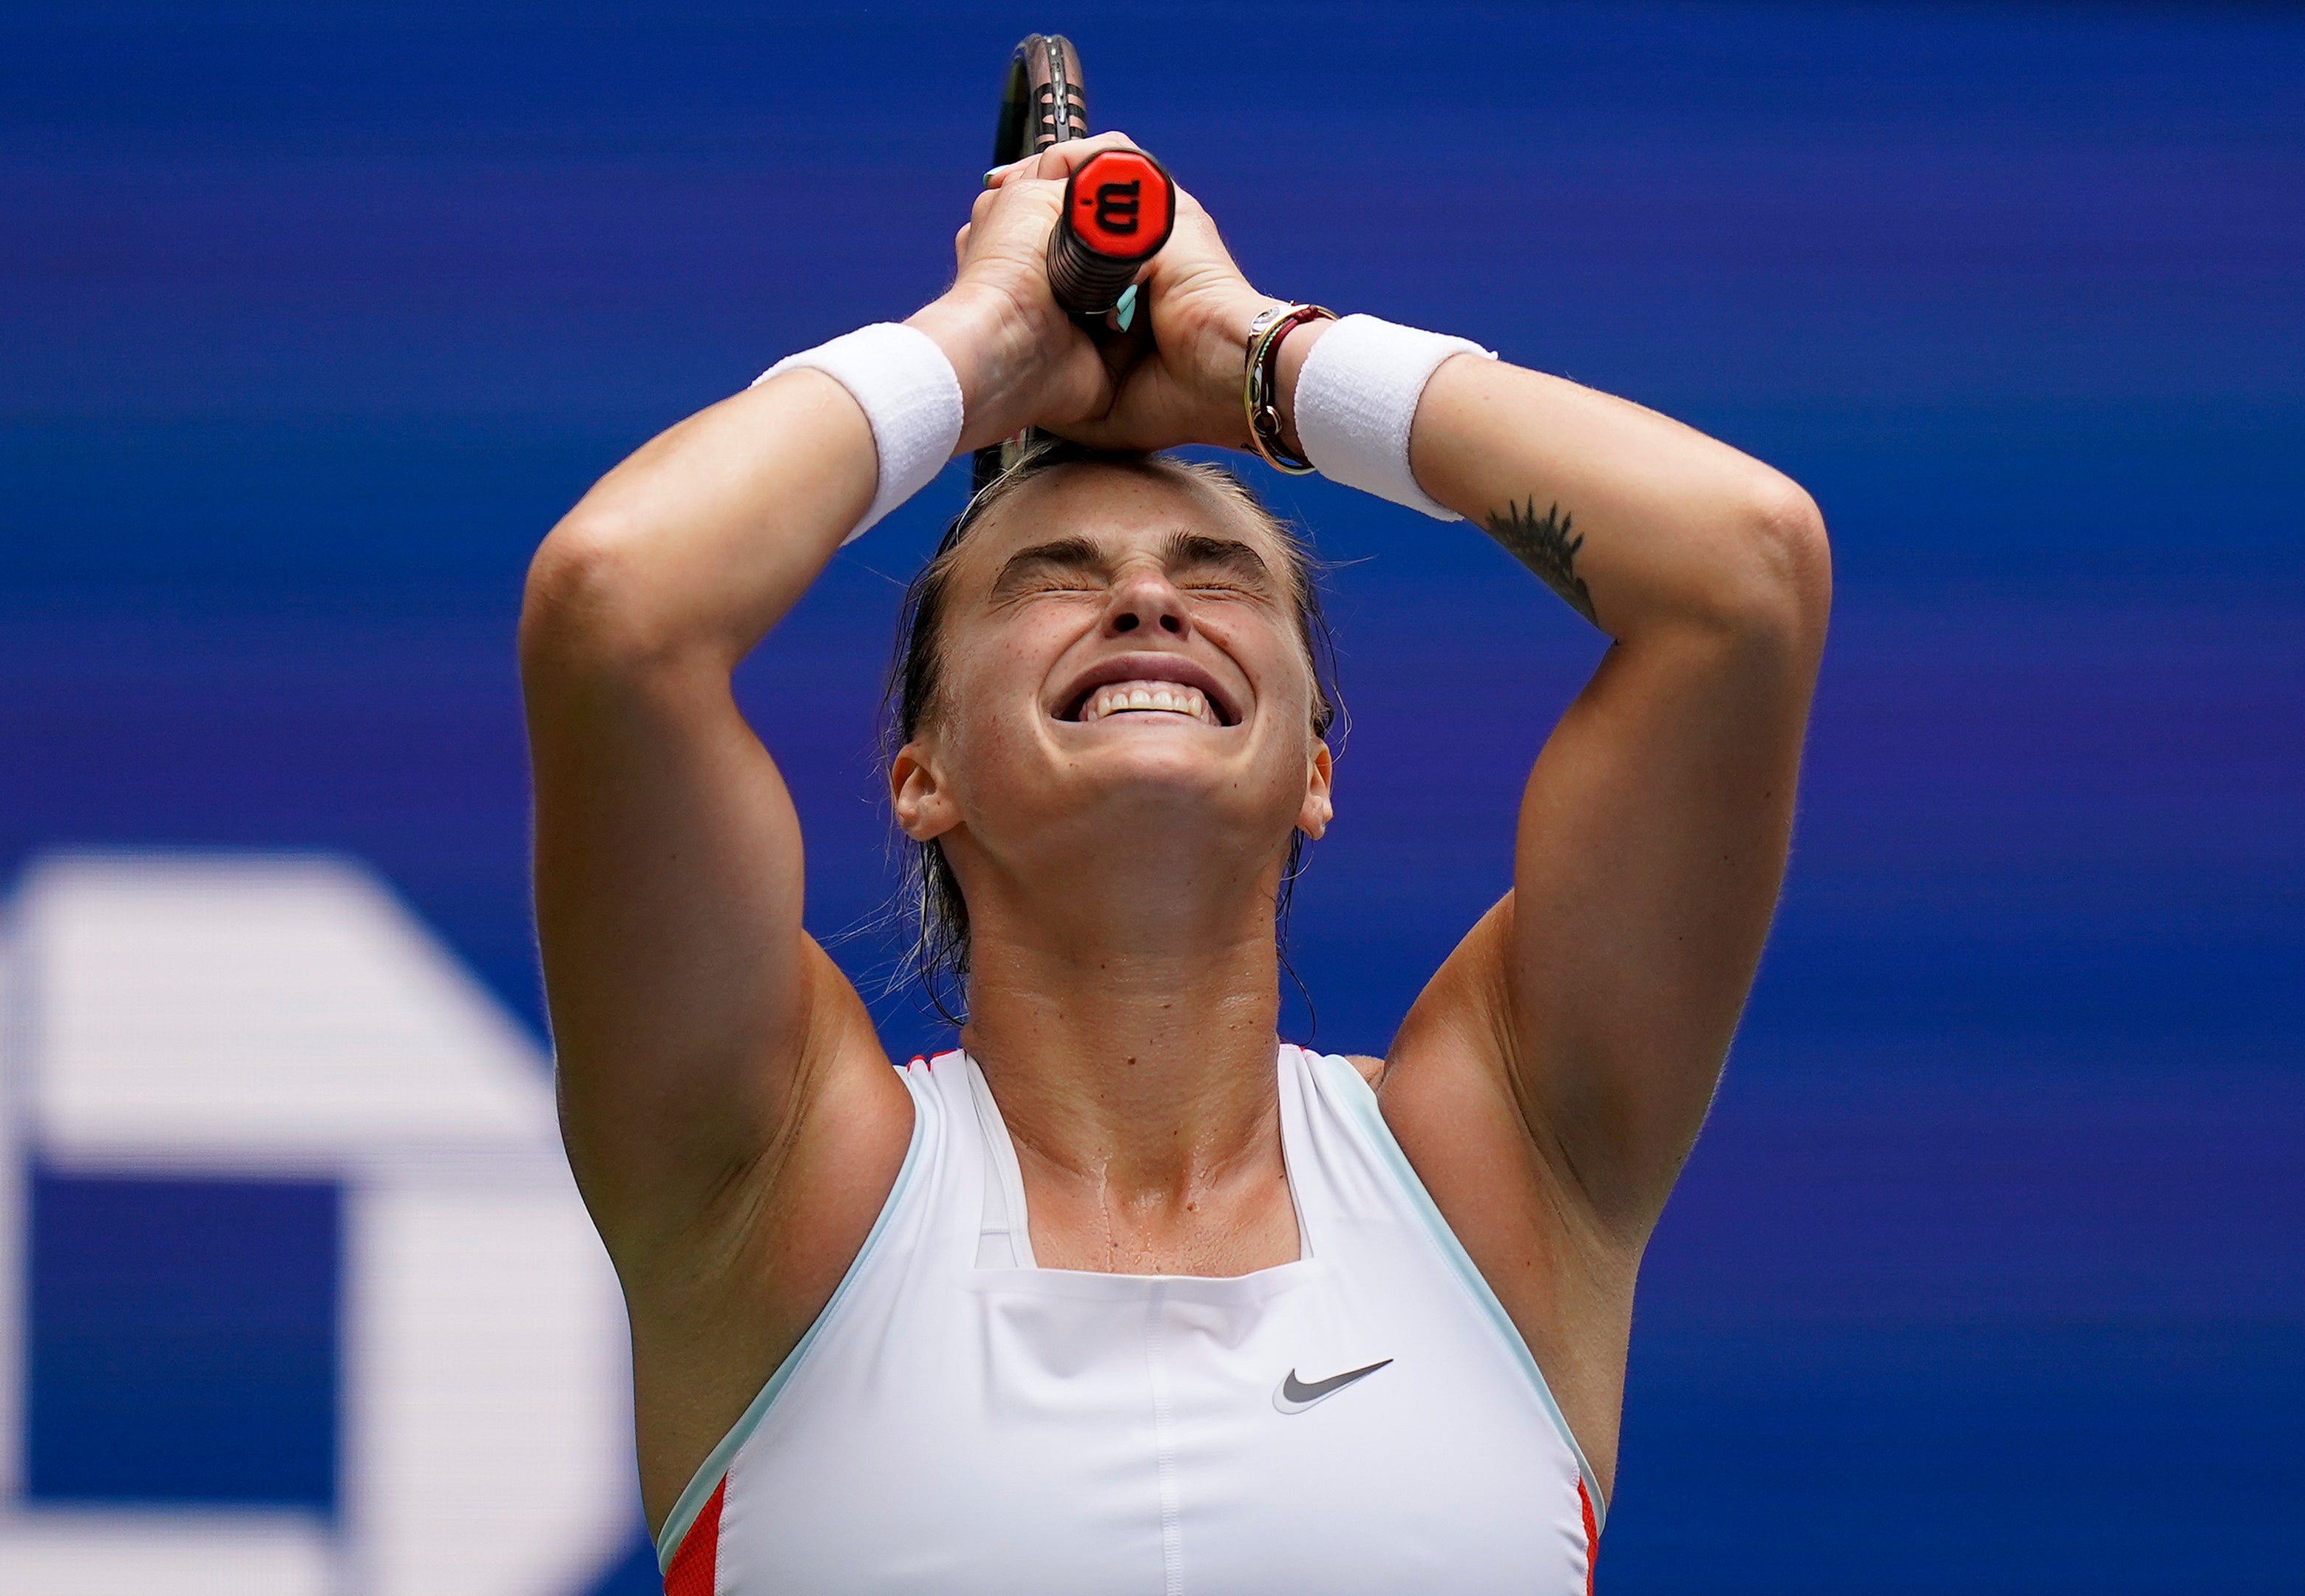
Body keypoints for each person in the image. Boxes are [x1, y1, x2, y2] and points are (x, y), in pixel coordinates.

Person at [520, 132, 1828, 1595]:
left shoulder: (1502, 1159)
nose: (1144, 594)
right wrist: (981, 340)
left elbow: (1743, 568)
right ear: (920, 773)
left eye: (1217, 580)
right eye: (1053, 579)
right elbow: (615, 602)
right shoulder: (771, 1174)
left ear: (1314, 771)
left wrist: (1255, 357)